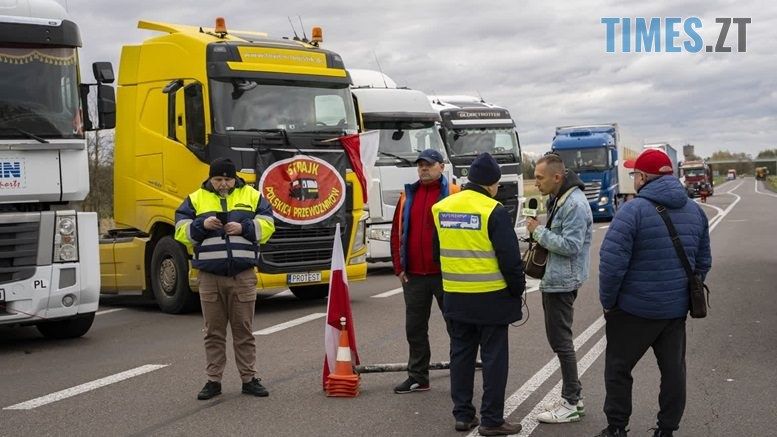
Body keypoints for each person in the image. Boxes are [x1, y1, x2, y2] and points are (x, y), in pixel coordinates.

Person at [596, 149, 712, 437]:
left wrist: (609, 303)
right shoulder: (695, 211)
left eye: (635, 174)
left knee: (618, 370)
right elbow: (703, 262)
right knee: (673, 373)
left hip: (633, 311)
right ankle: (666, 430)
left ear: (644, 177)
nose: (634, 178)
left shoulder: (632, 212)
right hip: (674, 311)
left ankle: (617, 428)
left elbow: (612, 266)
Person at [432, 152, 525, 436]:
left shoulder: (441, 208)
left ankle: (462, 415)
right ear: (492, 183)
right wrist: (517, 289)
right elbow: (509, 258)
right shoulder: (493, 210)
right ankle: (492, 420)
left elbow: (438, 253)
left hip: (456, 295)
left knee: (461, 355)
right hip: (491, 297)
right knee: (494, 358)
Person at [174, 157, 276, 400]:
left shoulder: (252, 196)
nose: (223, 184)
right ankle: (213, 381)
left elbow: (269, 225)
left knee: (244, 330)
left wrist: (245, 228)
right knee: (213, 332)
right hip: (209, 276)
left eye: (227, 179)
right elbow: (180, 230)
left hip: (242, 275)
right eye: (218, 179)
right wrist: (201, 225)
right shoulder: (195, 199)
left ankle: (249, 379)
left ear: (235, 178)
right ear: (210, 178)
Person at [526, 153, 593, 424]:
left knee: (561, 342)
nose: (536, 183)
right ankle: (571, 397)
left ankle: (571, 402)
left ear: (557, 177)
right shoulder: (559, 198)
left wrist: (538, 232)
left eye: (540, 178)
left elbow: (571, 245)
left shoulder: (574, 203)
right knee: (558, 340)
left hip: (563, 281)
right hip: (556, 278)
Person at [390, 149, 459, 394]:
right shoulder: (408, 195)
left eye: (428, 165)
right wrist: (399, 268)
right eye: (420, 165)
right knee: (415, 329)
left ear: (441, 167)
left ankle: (461, 375)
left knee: (456, 327)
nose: (423, 169)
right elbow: (396, 233)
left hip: (445, 275)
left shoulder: (454, 194)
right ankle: (419, 377)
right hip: (414, 277)